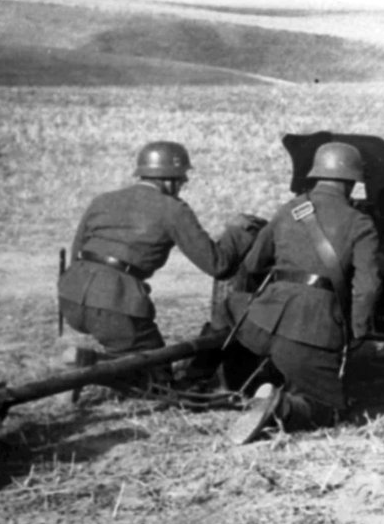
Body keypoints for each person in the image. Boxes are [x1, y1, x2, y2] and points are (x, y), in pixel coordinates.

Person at [57, 141, 262, 385]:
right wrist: (237, 232)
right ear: (170, 178)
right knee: (158, 380)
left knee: (132, 356)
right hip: (115, 304)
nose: (185, 181)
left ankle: (90, 362)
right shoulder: (172, 210)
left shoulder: (102, 200)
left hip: (70, 297)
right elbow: (218, 265)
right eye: (182, 176)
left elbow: (76, 252)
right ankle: (89, 364)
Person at [225, 142, 381, 444]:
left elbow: (254, 263)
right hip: (310, 332)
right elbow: (369, 286)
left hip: (262, 321)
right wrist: (356, 332)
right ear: (352, 181)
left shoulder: (290, 209)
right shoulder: (359, 223)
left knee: (229, 307)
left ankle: (216, 383)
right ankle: (281, 407)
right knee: (329, 410)